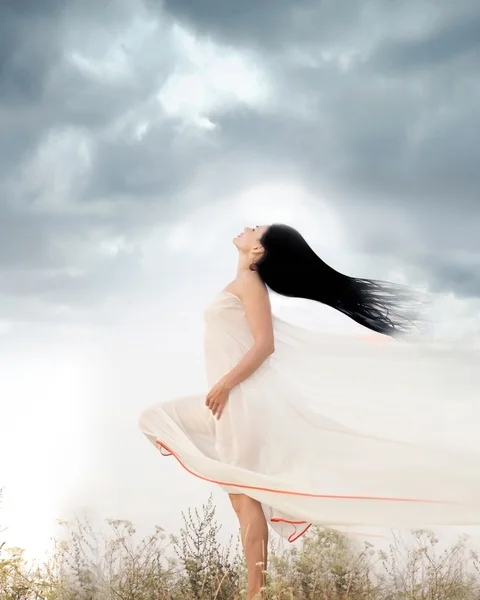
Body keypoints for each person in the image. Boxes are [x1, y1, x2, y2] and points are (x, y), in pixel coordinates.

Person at [139, 224, 480, 600]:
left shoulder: (251, 285)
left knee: (243, 493)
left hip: (242, 401)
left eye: (257, 230)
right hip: (232, 401)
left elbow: (264, 346)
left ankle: (255, 593)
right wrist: (221, 390)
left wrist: (222, 385)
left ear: (258, 252)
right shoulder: (240, 284)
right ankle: (255, 585)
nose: (249, 227)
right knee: (159, 420)